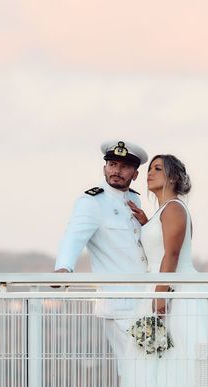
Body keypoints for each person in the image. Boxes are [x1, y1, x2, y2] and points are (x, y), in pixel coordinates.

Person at [121, 154, 208, 387]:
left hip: (174, 293)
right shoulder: (162, 212)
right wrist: (146, 223)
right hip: (159, 288)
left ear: (174, 178)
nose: (149, 174)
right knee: (155, 368)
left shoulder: (175, 208)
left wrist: (161, 297)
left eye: (157, 169)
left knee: (177, 367)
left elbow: (172, 255)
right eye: (149, 168)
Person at [54, 139, 149, 368]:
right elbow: (73, 235)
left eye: (124, 167)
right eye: (112, 164)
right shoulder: (91, 201)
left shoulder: (134, 199)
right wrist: (64, 268)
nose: (116, 171)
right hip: (119, 304)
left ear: (135, 174)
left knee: (145, 371)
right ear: (104, 167)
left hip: (143, 301)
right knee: (134, 371)